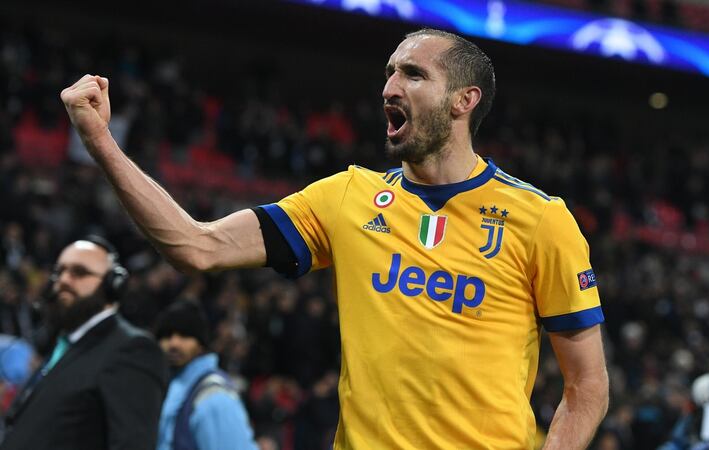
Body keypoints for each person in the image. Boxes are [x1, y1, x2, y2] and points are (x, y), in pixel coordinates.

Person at [60, 28, 609, 449]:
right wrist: (100, 141)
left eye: (413, 75)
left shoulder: (540, 220)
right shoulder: (347, 197)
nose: (389, 87)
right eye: (390, 73)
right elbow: (197, 247)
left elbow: (587, 387)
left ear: (464, 100)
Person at [0, 236, 168, 450]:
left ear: (112, 285)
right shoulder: (66, 345)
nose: (64, 280)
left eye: (79, 272)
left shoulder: (132, 349)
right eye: (59, 272)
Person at [154, 300, 257, 450]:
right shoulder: (163, 389)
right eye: (167, 336)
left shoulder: (214, 396)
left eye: (184, 335)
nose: (174, 343)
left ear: (201, 344)